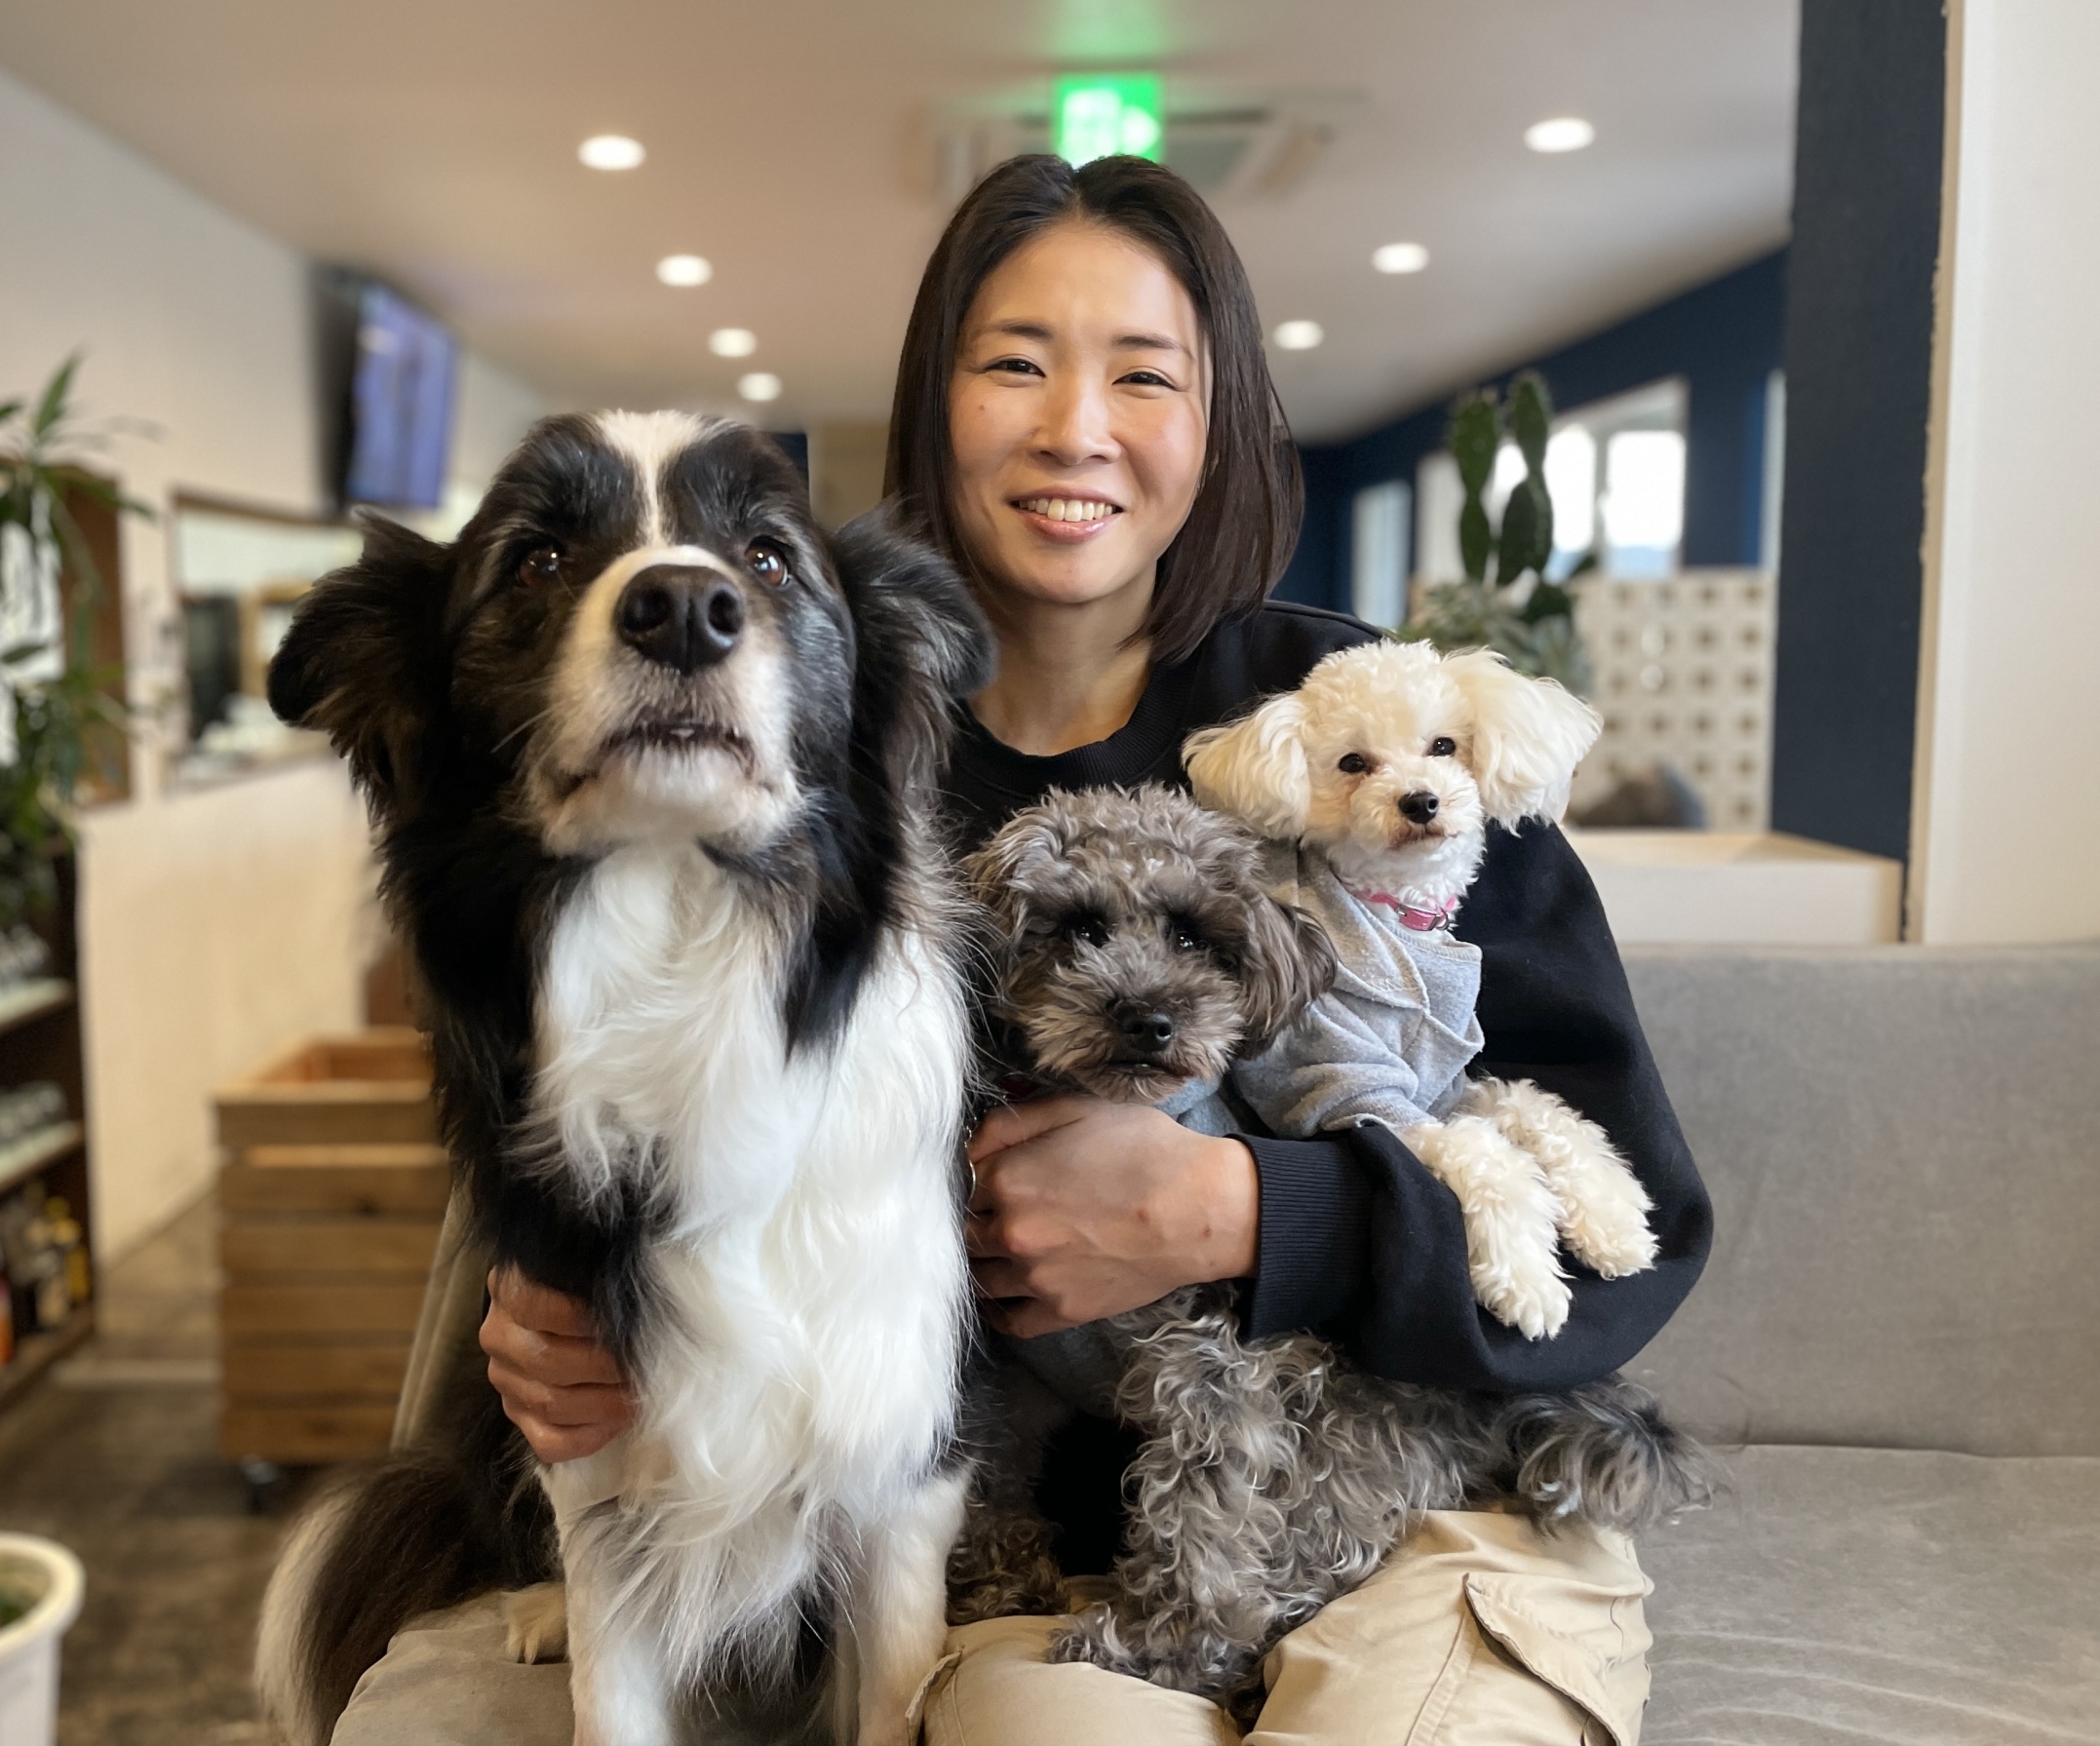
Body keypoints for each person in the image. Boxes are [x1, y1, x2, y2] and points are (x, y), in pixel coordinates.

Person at [438, 155, 1711, 1745]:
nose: (1075, 428)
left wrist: (1243, 1209)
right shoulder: (813, 760)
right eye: (1016, 364)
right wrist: (566, 1310)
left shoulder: (1374, 735)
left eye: (1145, 376)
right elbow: (611, 1078)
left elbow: (1635, 1238)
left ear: (1221, 421)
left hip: (1426, 1495)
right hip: (1038, 1546)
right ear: (935, 404)